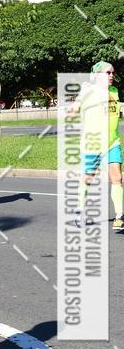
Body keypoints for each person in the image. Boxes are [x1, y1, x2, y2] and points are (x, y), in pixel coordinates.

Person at [75, 61, 123, 230]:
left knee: (117, 178)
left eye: (113, 73)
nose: (112, 75)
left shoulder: (114, 91)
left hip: (112, 142)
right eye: (108, 73)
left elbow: (116, 110)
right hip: (93, 143)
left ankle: (119, 217)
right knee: (88, 179)